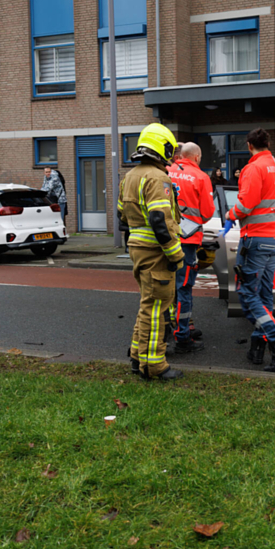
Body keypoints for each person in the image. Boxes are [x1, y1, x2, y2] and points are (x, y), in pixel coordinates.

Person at [225, 128, 275, 373]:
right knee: (265, 295)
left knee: (247, 294)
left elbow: (246, 204)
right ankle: (261, 350)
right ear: (268, 143)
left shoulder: (253, 168)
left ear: (249, 145)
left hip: (256, 239)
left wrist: (230, 214)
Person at [119, 123, 186, 381]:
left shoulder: (129, 177)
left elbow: (120, 215)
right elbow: (160, 220)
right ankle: (155, 366)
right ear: (162, 147)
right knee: (158, 308)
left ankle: (138, 357)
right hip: (156, 252)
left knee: (147, 304)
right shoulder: (158, 178)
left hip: (137, 248)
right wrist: (176, 255)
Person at [169, 143, 215, 353]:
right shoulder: (200, 177)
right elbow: (207, 213)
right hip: (187, 241)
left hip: (165, 238)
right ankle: (183, 336)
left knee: (165, 285)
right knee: (184, 287)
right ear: (196, 157)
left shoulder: (166, 171)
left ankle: (168, 329)